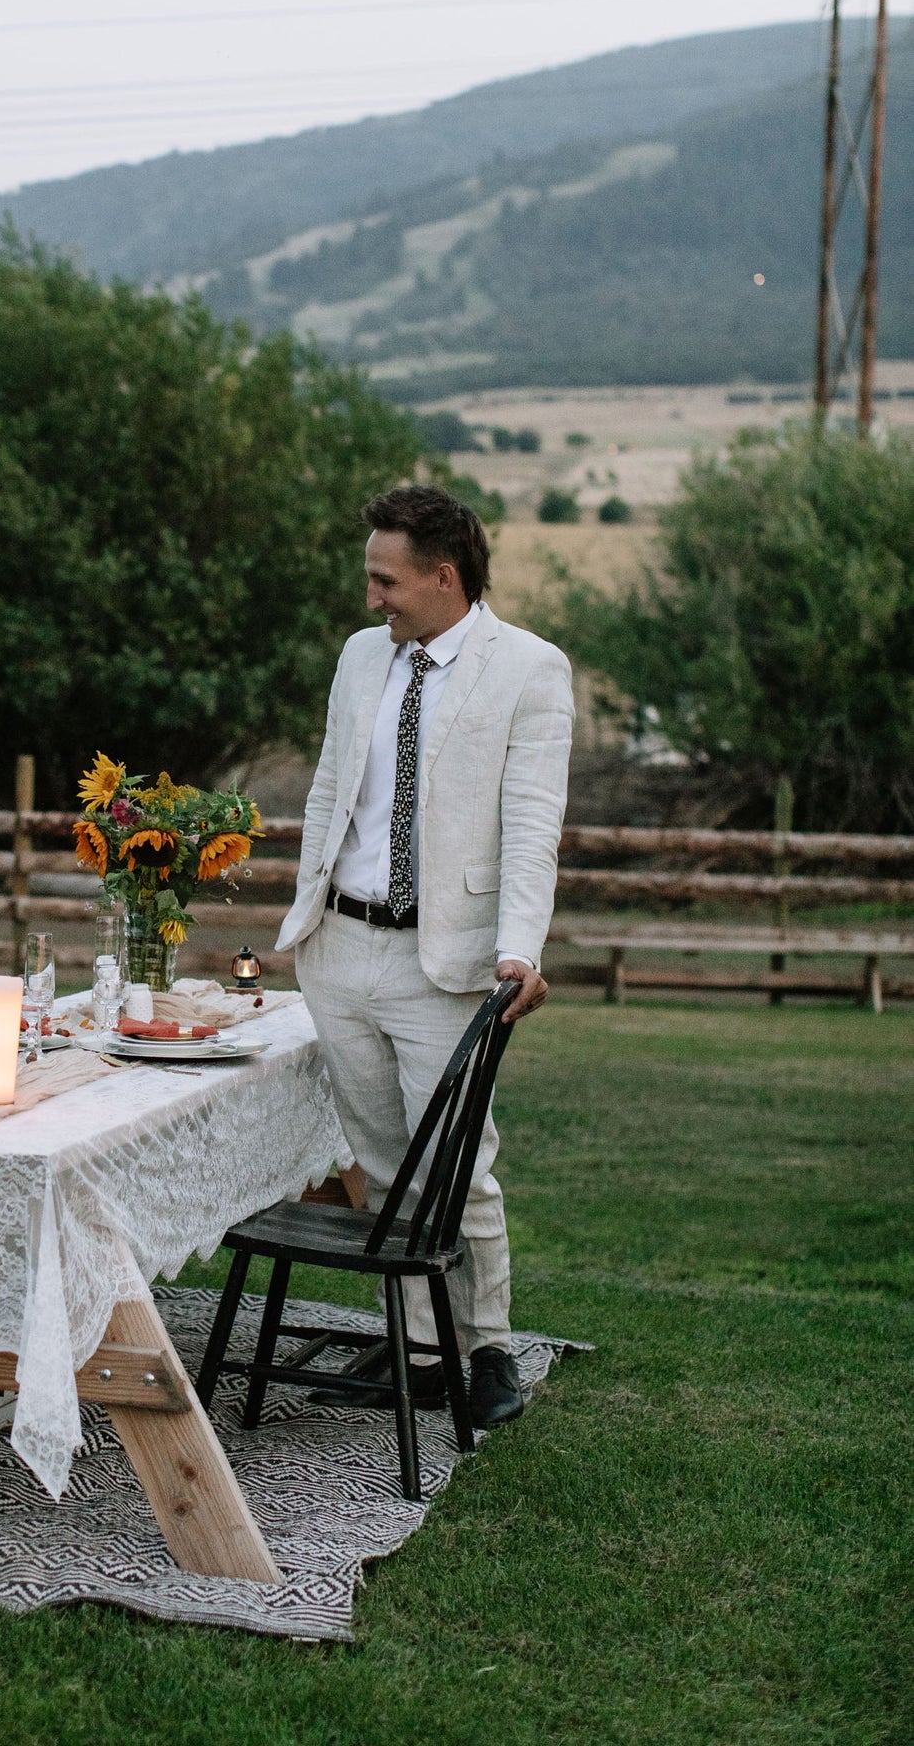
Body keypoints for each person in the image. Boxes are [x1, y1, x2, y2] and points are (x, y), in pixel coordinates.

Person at [277, 484, 573, 1429]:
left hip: (445, 962)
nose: (371, 598)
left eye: (386, 581)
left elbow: (531, 824)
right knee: (378, 1162)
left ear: (443, 577)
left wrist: (519, 949)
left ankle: (486, 1348)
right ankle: (415, 1348)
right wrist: (306, 909)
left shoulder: (529, 668)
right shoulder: (360, 656)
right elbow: (330, 787)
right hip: (339, 946)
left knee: (454, 1165)